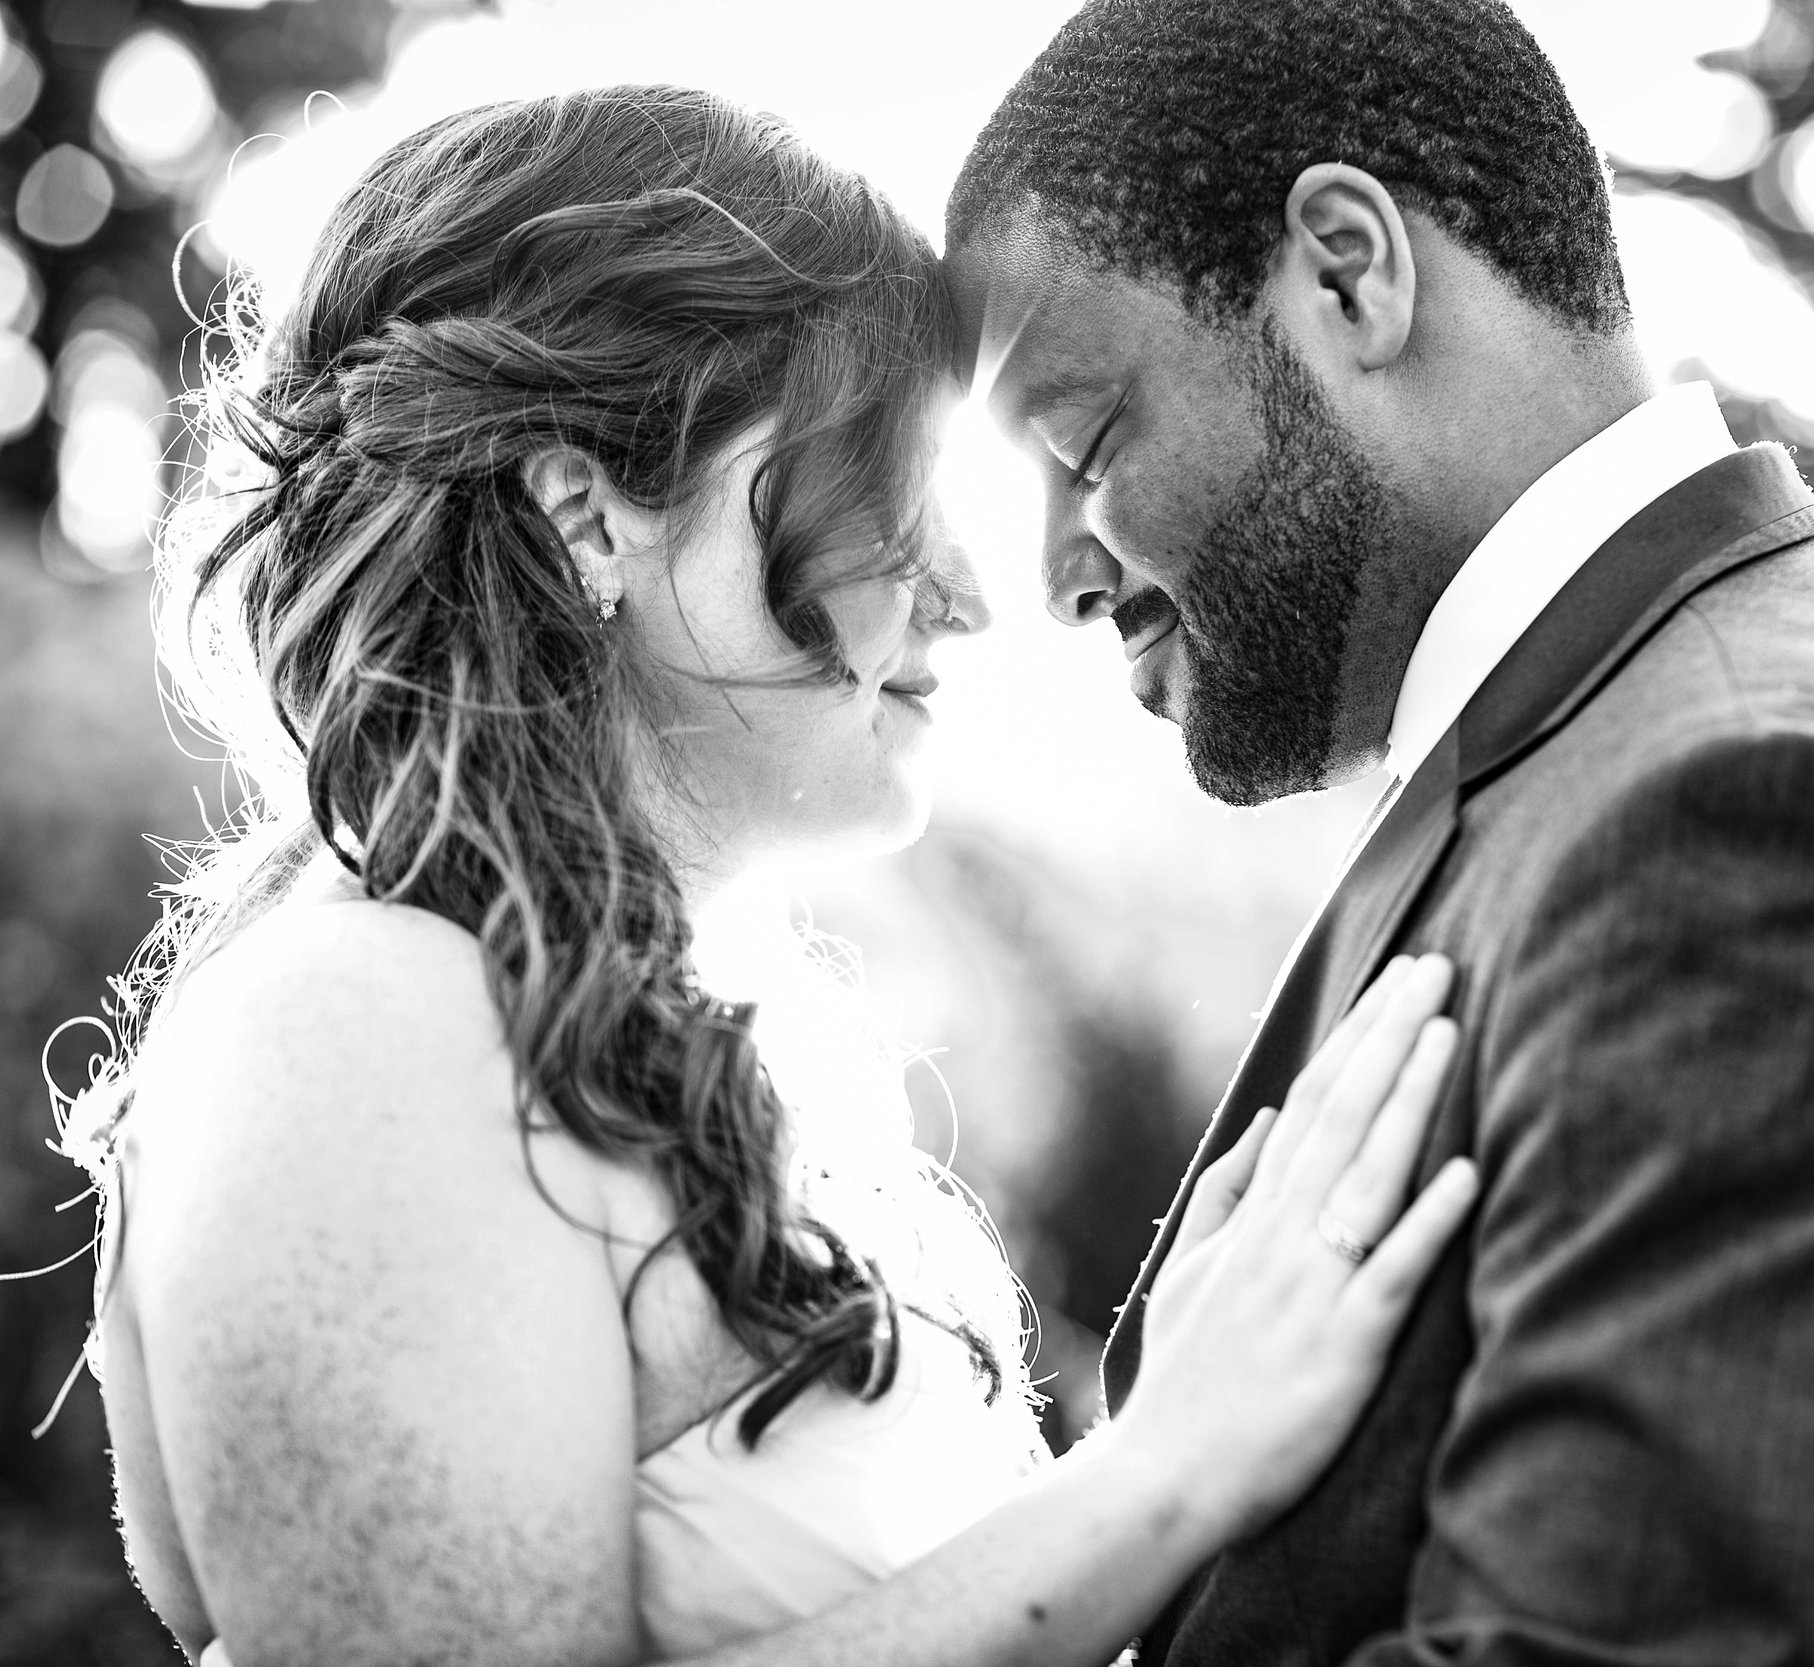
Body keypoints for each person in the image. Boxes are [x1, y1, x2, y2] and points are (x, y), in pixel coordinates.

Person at [63, 86, 1483, 1667]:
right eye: (880, 491)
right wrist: (1167, 1472)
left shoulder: (690, 1010)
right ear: (586, 516)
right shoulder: (351, 1026)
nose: (964, 595)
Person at [945, 0, 1814, 1662]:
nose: (1057, 576)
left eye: (1083, 442)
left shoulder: (1764, 823)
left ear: (1344, 272)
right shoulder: (1601, 761)